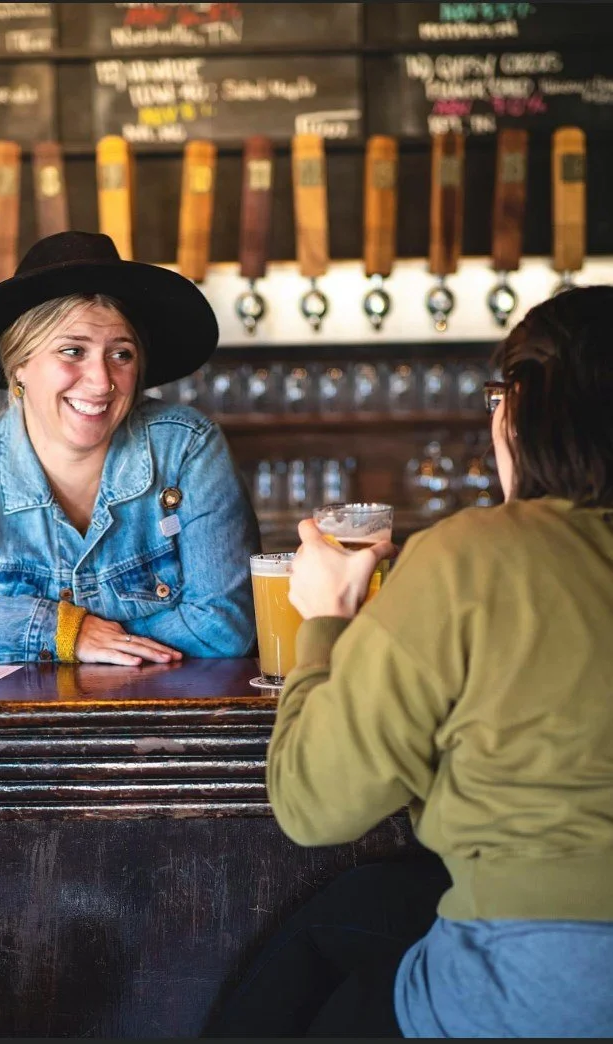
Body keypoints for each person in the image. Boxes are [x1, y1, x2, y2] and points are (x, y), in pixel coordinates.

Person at [206, 286, 613, 1038]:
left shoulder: (472, 555)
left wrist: (325, 618)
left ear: (521, 409)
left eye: (498, 397)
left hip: (542, 980)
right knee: (363, 905)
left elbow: (315, 807)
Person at [0, 231, 260, 665]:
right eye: (72, 351)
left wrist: (86, 643)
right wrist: (60, 631)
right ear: (20, 365)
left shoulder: (186, 448)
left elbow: (224, 626)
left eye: (120, 354)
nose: (101, 382)